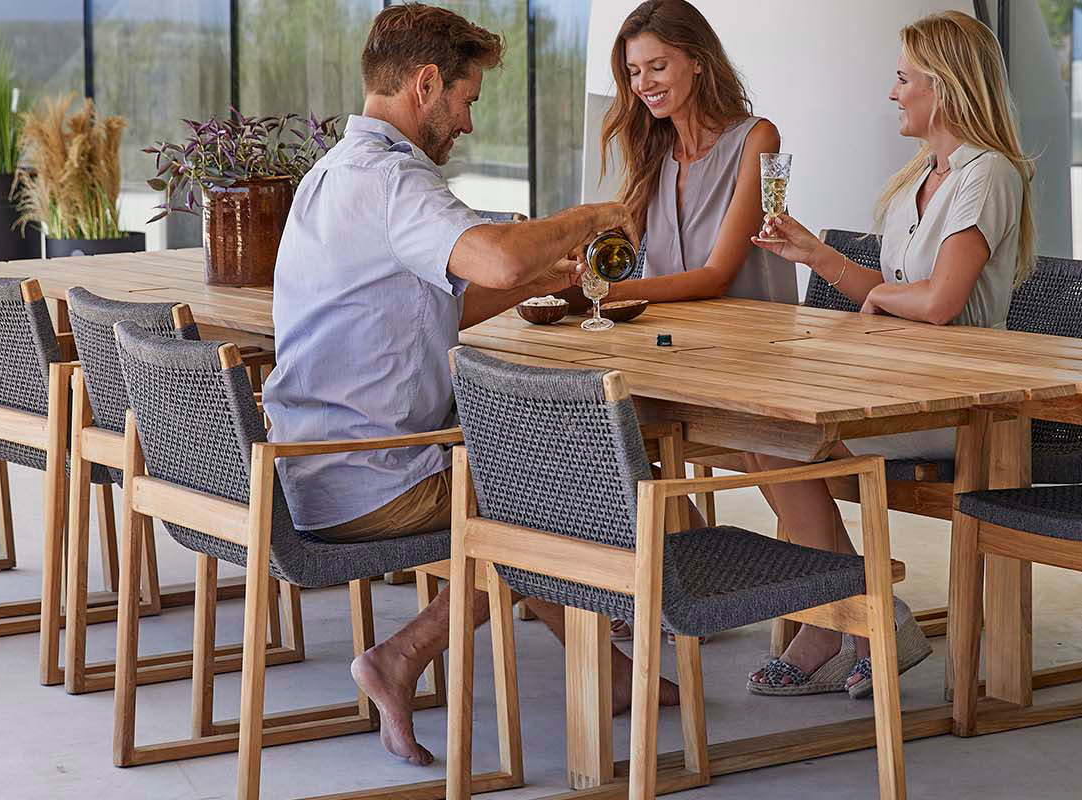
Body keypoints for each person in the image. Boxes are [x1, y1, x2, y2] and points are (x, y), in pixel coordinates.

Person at [265, 3, 674, 766]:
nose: (468, 124)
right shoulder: (393, 178)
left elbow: (438, 298)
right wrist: (592, 216)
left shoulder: (334, 172)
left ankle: (612, 672)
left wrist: (540, 281)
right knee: (558, 490)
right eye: (465, 100)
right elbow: (497, 258)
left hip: (314, 463)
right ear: (425, 83)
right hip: (373, 477)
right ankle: (403, 656)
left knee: (530, 478)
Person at [742, 10, 1037, 697]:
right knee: (761, 432)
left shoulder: (988, 175)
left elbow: (939, 303)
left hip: (960, 399)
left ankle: (849, 621)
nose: (893, 92)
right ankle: (858, 615)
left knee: (779, 437)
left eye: (904, 78)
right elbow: (898, 289)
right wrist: (816, 255)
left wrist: (881, 298)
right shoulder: (918, 178)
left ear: (946, 85)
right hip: (901, 378)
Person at [589, 0, 797, 305]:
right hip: (665, 327)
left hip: (749, 330)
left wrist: (600, 294)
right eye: (633, 71)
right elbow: (615, 247)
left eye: (658, 67)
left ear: (697, 61)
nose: (643, 84)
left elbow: (716, 277)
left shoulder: (757, 139)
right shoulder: (654, 149)